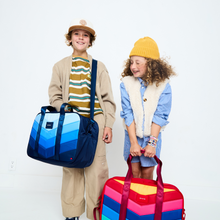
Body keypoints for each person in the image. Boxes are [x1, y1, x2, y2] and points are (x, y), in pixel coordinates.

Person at [48, 18, 116, 220]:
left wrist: (108, 125)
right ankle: (71, 212)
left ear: (90, 41)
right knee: (71, 168)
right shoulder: (60, 66)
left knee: (97, 169)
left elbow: (107, 99)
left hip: (96, 121)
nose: (81, 38)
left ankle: (96, 214)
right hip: (71, 123)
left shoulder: (98, 66)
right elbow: (54, 95)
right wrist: (64, 110)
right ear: (69, 39)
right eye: (76, 34)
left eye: (85, 35)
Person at [120, 37, 176, 180]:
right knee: (134, 174)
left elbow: (160, 116)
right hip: (132, 135)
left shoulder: (163, 86)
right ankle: (132, 202)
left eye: (138, 62)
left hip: (152, 137)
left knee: (146, 175)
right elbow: (128, 114)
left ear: (150, 64)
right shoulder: (126, 83)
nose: (133, 66)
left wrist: (152, 144)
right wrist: (133, 143)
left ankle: (145, 203)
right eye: (131, 62)